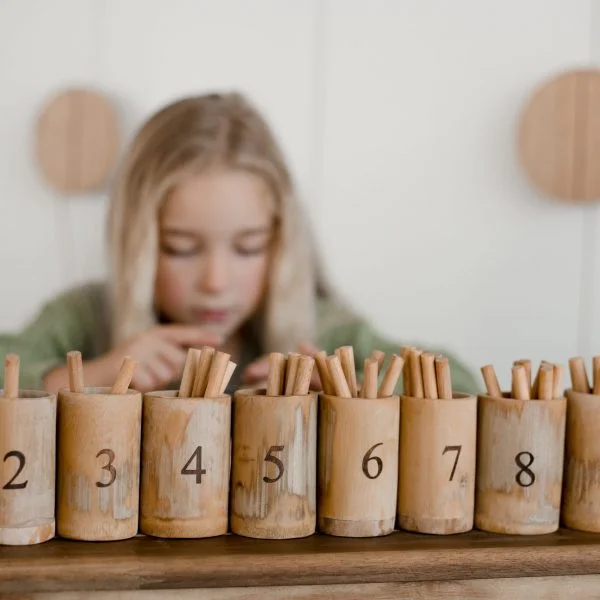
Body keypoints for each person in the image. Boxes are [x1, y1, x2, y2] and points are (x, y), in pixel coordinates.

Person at [0, 92, 479, 395]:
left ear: (281, 243)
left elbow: (461, 384)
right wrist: (94, 375)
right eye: (181, 248)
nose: (215, 282)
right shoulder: (85, 319)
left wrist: (351, 389)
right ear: (136, 243)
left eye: (248, 247)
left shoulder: (326, 332)